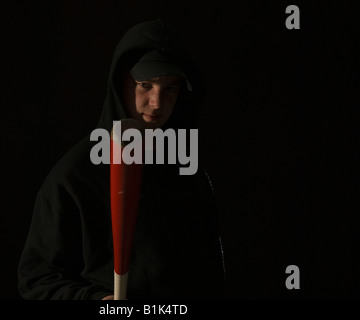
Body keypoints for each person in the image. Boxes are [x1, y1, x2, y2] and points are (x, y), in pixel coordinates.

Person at [18, 19, 225, 300]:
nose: (157, 102)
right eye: (145, 84)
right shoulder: (75, 175)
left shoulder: (188, 172)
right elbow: (38, 280)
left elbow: (211, 275)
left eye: (171, 88)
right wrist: (98, 301)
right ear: (120, 82)